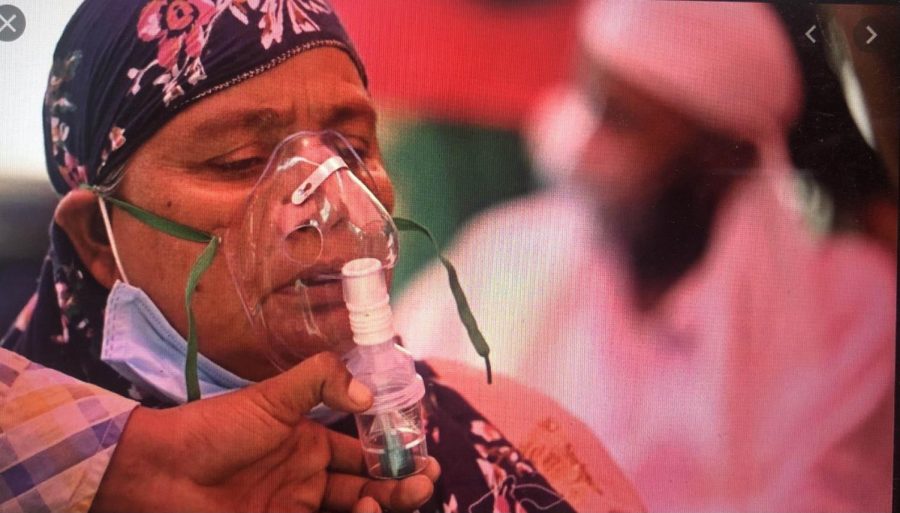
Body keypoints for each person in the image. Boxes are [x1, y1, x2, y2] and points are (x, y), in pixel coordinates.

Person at [0, 1, 642, 512]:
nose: (331, 201)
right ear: (96, 239)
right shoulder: (34, 471)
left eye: (354, 148)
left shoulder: (518, 454)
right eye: (241, 163)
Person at [395, 1, 896, 511]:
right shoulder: (507, 255)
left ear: (720, 158)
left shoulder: (848, 312)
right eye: (588, 100)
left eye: (620, 121)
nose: (580, 146)